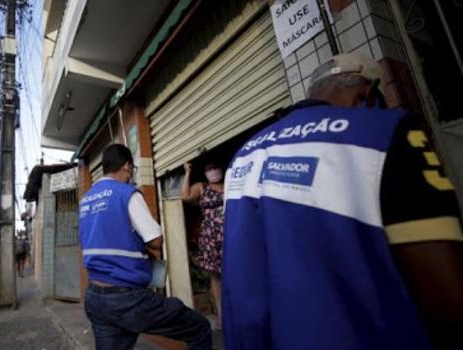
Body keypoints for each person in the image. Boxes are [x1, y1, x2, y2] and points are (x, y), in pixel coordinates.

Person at [222, 52, 463, 349]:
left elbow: (244, 285)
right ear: (369, 95)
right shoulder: (386, 132)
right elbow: (447, 294)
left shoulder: (243, 156)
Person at [80, 144, 212, 350]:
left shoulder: (86, 199)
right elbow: (156, 240)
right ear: (126, 166)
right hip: (127, 299)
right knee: (199, 327)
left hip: (95, 298)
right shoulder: (127, 193)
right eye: (132, 169)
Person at [181, 161, 224, 329]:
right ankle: (221, 316)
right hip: (212, 238)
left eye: (215, 167)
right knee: (216, 276)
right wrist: (187, 173)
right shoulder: (202, 187)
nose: (213, 171)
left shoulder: (230, 183)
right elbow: (185, 196)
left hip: (232, 233)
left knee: (236, 272)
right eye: (208, 168)